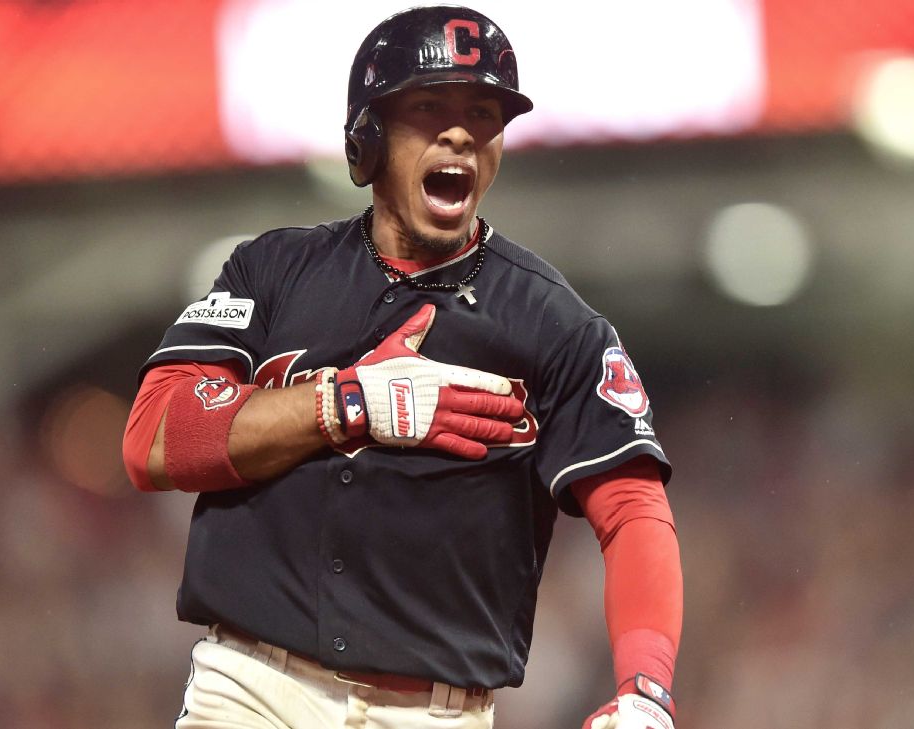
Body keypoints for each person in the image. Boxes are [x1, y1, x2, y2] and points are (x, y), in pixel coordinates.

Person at [122, 6, 683, 728]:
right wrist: (344, 403)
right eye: (428, 107)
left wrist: (646, 688)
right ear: (368, 137)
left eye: (483, 112)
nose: (460, 132)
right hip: (253, 687)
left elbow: (634, 509)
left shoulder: (554, 323)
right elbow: (152, 439)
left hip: (433, 713)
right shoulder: (271, 271)